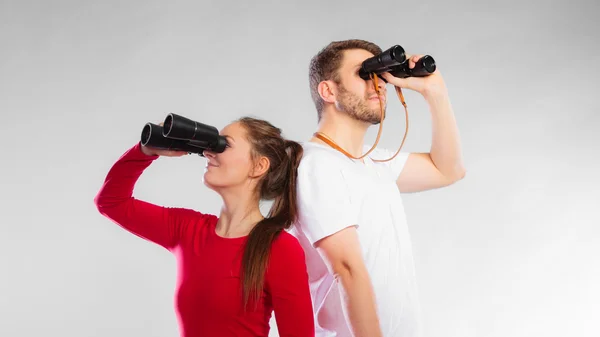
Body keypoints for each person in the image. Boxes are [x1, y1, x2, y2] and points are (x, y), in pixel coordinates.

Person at [289, 39, 466, 337]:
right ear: (328, 91)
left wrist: (436, 93)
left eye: (380, 74)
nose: (379, 85)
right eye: (364, 74)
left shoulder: (373, 161)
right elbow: (346, 269)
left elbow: (449, 170)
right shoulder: (316, 164)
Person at [94, 116, 315, 337]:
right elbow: (111, 202)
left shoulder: (280, 248)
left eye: (223, 144)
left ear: (259, 166)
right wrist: (146, 151)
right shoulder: (187, 230)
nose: (209, 152)